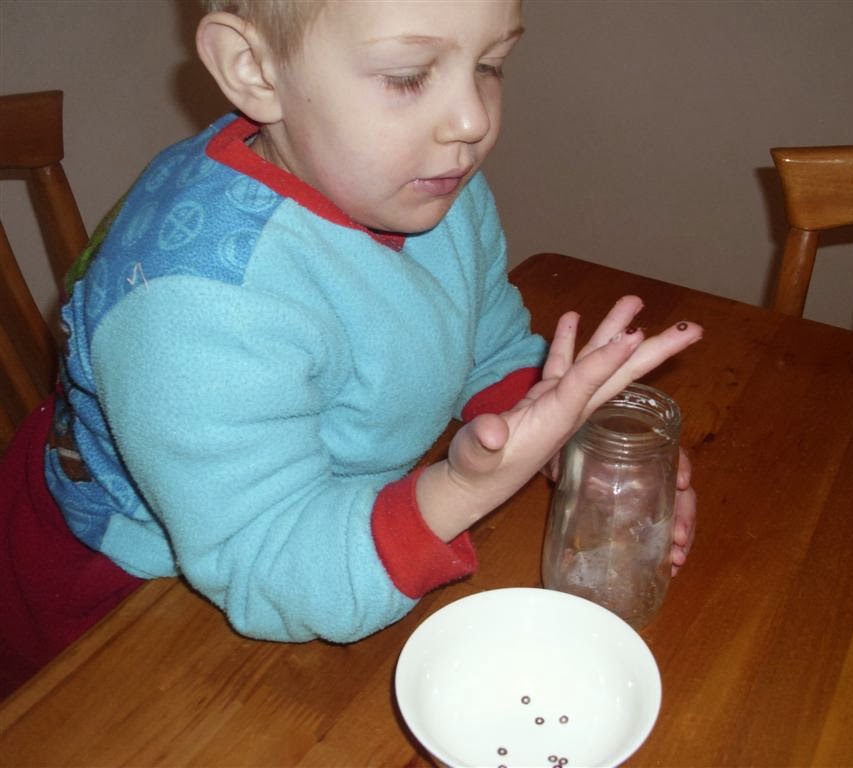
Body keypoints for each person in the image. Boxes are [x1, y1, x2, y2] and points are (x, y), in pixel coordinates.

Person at [0, 0, 702, 696]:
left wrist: (570, 436)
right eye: (406, 76)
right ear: (255, 71)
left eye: (490, 64)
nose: (473, 121)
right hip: (119, 592)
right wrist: (461, 491)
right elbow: (270, 563)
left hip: (328, 536)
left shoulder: (421, 181)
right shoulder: (192, 309)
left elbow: (484, 342)